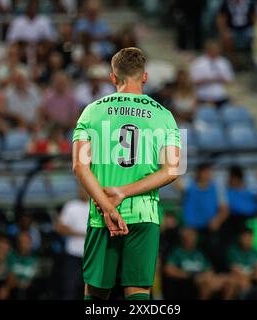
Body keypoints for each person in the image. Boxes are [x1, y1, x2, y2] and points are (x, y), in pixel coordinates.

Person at [72, 47, 181, 300]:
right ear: (144, 77)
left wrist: (109, 208)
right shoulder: (164, 116)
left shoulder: (92, 111)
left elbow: (79, 167)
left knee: (96, 295)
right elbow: (173, 170)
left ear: (113, 78)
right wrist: (125, 192)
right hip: (144, 214)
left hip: (102, 216)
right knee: (139, 294)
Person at [176, 163, 229, 268]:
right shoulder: (189, 186)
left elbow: (225, 209)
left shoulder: (217, 189)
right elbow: (177, 183)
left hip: (209, 230)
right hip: (191, 229)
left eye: (208, 172)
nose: (206, 175)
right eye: (204, 172)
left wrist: (217, 220)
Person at [164, 227, 235, 300]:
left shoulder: (199, 253)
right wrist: (187, 275)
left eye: (194, 236)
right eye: (189, 236)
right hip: (190, 280)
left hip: (205, 277)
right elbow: (169, 270)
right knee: (206, 284)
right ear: (183, 238)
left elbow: (209, 269)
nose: (192, 239)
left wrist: (212, 277)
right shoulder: (177, 252)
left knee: (230, 281)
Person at [56, 186, 90, 300]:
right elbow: (60, 227)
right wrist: (82, 234)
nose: (82, 191)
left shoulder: (96, 205)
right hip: (73, 254)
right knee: (69, 288)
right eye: (81, 188)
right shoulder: (71, 206)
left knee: (90, 289)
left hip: (91, 254)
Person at [227, 227, 257, 300]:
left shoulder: (254, 252)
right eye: (246, 237)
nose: (248, 240)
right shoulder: (233, 251)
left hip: (251, 275)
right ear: (240, 238)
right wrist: (249, 276)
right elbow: (234, 270)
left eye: (250, 238)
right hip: (238, 277)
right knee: (242, 281)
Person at [189, 41, 234, 108]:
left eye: (216, 50)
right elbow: (193, 81)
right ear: (207, 50)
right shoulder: (198, 63)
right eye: (212, 50)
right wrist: (207, 80)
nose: (214, 52)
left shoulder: (224, 62)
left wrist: (219, 79)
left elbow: (230, 80)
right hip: (203, 97)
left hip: (221, 97)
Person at [0, 231, 39, 300]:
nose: (23, 245)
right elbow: (5, 274)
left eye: (26, 242)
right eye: (21, 242)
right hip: (13, 291)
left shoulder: (36, 260)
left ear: (30, 243)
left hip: (31, 292)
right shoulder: (10, 257)